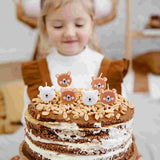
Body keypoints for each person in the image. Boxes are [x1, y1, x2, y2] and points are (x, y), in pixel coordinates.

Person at [21, 0, 129, 124]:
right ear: (45, 27)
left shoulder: (111, 70)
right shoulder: (36, 73)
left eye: (79, 24)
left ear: (92, 25)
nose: (69, 33)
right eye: (58, 26)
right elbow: (27, 120)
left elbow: (123, 119)